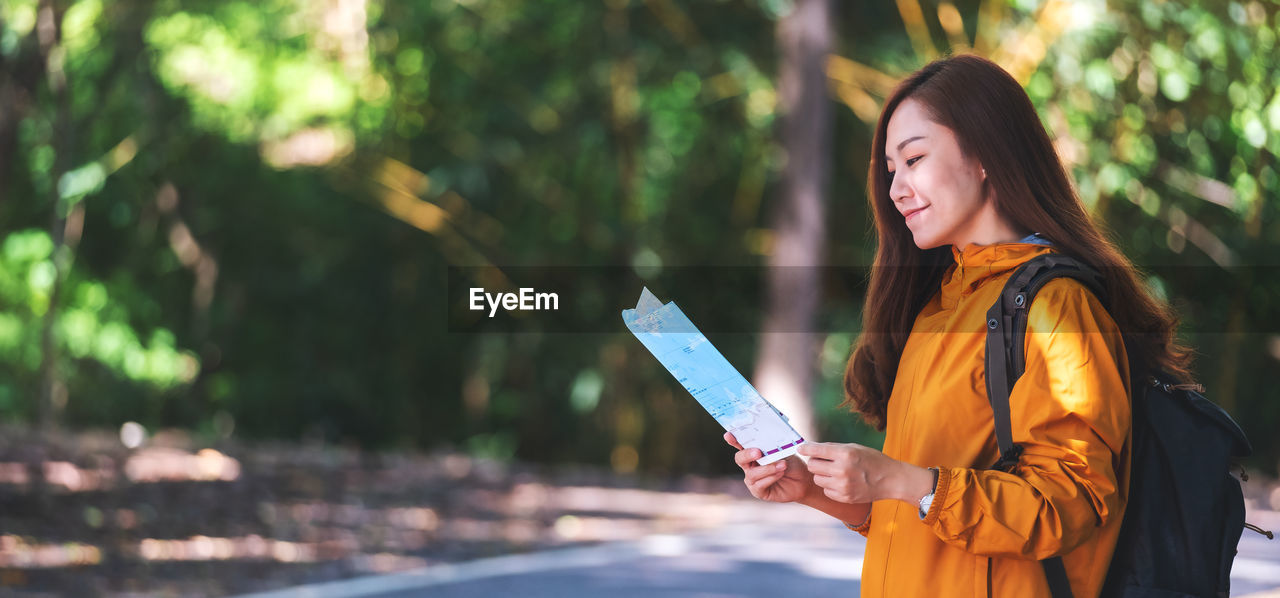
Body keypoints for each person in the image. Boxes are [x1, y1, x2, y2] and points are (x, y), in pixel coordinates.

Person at [725, 54, 1196, 597]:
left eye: (915, 158)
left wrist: (901, 478)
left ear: (985, 156)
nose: (896, 188)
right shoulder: (938, 308)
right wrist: (813, 488)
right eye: (890, 170)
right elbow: (923, 519)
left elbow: (1069, 505)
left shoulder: (1056, 307)